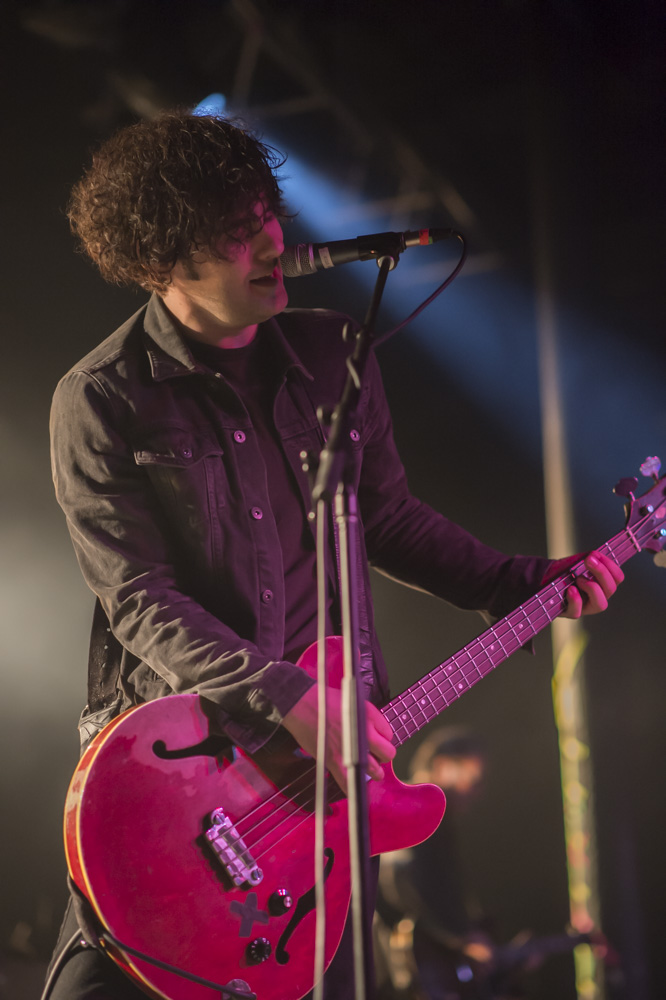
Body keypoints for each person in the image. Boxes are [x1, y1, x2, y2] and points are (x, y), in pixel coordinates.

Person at [45, 110, 623, 1000]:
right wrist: (285, 693)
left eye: (265, 216)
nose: (271, 243)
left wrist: (520, 581)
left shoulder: (330, 353)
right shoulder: (102, 398)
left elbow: (388, 519)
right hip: (185, 780)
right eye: (234, 233)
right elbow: (140, 600)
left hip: (325, 802)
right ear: (162, 261)